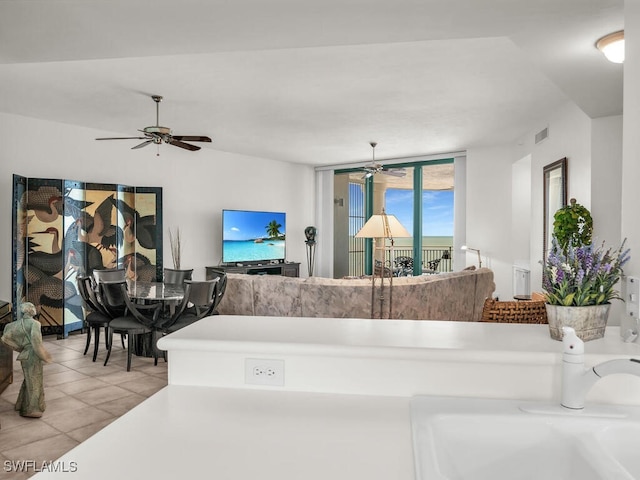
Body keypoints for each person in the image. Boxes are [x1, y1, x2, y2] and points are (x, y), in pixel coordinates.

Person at [1, 302, 52, 418]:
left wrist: (20, 348)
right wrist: (45, 356)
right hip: (33, 355)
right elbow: (36, 343)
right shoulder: (35, 324)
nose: (35, 309)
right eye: (33, 307)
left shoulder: (14, 325)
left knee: (29, 380)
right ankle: (32, 409)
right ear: (30, 310)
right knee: (34, 381)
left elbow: (4, 339)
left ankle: (21, 404)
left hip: (25, 355)